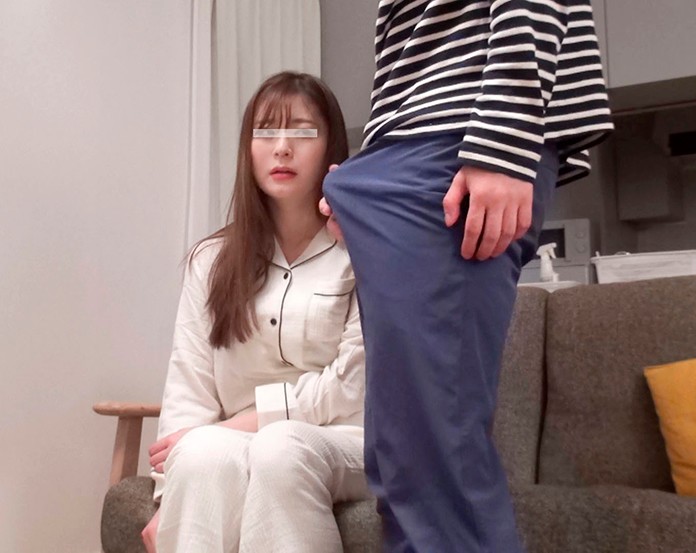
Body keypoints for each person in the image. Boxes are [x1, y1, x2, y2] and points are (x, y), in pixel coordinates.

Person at [320, 2, 614, 551]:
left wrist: (503, 140)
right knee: (401, 454)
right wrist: (372, 172)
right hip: (414, 152)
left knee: (432, 464)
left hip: (453, 144)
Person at [141, 71, 369, 553]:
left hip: (347, 438)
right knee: (202, 453)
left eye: (303, 132)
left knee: (278, 447)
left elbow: (349, 386)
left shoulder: (363, 255)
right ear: (248, 148)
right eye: (265, 131)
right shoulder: (211, 261)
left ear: (330, 149)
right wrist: (171, 499)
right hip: (234, 442)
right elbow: (189, 388)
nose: (282, 148)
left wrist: (232, 426)